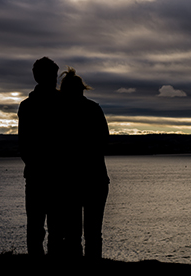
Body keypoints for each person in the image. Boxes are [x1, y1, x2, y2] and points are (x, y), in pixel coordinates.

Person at [59, 67, 110, 259]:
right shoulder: (94, 109)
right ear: (82, 89)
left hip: (70, 181)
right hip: (96, 179)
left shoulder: (59, 113)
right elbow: (104, 142)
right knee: (93, 234)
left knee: (72, 235)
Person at [17, 57, 65, 256]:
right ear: (38, 77)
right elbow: (25, 144)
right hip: (50, 174)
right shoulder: (62, 103)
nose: (54, 79)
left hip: (43, 174)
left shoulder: (28, 105)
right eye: (51, 75)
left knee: (46, 228)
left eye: (54, 75)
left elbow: (24, 145)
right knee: (44, 228)